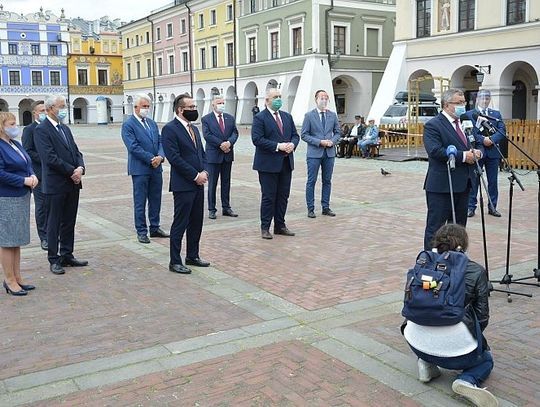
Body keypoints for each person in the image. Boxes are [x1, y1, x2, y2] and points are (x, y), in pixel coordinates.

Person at [403, 224, 497, 407]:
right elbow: (482, 317)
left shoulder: (422, 264)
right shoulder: (476, 271)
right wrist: (476, 344)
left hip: (416, 342)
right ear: (464, 244)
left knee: (426, 323)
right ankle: (466, 380)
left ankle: (426, 362)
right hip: (458, 352)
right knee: (486, 360)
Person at [423, 88, 484, 250]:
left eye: (463, 102)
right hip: (442, 186)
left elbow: (475, 141)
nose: (462, 106)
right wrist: (464, 156)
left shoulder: (466, 123)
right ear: (446, 104)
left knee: (458, 229)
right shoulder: (433, 125)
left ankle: (456, 260)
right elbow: (435, 151)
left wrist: (478, 152)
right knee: (436, 228)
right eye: (458, 103)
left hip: (464, 184)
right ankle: (431, 261)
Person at [34, 95, 88, 275]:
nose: (64, 109)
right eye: (61, 106)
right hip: (56, 184)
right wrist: (71, 171)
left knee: (69, 221)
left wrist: (80, 167)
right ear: (50, 109)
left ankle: (67, 254)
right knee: (54, 222)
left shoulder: (65, 128)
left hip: (72, 184)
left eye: (64, 106)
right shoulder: (42, 130)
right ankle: (54, 258)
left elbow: (76, 151)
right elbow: (49, 158)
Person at [162, 94, 210, 274]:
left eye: (195, 106)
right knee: (180, 222)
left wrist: (205, 171)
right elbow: (174, 158)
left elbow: (202, 154)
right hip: (183, 184)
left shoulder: (194, 129)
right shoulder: (170, 129)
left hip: (199, 183)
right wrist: (194, 175)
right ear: (180, 110)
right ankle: (175, 261)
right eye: (191, 107)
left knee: (196, 221)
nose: (194, 110)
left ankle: (192, 255)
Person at [252, 88, 299, 240]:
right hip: (268, 164)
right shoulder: (260, 118)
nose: (278, 99)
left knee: (283, 196)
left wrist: (292, 144)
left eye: (280, 96)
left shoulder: (287, 116)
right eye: (275, 97)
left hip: (286, 162)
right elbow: (257, 139)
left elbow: (295, 135)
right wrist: (278, 146)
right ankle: (265, 227)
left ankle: (280, 225)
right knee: (269, 196)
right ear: (267, 100)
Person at [121, 94, 169, 244]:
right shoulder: (128, 125)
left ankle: (155, 227)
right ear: (135, 107)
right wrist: (151, 159)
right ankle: (141, 231)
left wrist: (160, 157)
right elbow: (133, 146)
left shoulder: (152, 123)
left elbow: (161, 141)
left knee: (156, 199)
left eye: (148, 106)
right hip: (140, 168)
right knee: (140, 201)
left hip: (156, 168)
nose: (146, 109)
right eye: (144, 106)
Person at [0, 112, 38, 296]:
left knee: (17, 239)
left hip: (21, 196)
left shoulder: (14, 143)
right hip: (7, 198)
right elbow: (1, 173)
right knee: (8, 240)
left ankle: (17, 277)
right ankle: (9, 280)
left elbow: (27, 162)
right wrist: (23, 180)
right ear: (2, 126)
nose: (15, 126)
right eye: (12, 123)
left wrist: (32, 175)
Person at [300, 89, 341, 218]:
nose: (323, 100)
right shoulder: (309, 115)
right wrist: (319, 142)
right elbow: (304, 135)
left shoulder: (332, 115)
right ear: (316, 100)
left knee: (327, 180)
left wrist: (332, 141)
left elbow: (338, 132)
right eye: (321, 98)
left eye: (326, 98)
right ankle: (310, 208)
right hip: (314, 153)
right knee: (311, 181)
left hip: (329, 153)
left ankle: (326, 207)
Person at [466, 90, 506, 218]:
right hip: (478, 152)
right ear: (477, 98)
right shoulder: (470, 114)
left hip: (493, 152)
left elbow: (502, 130)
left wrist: (492, 140)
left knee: (493, 181)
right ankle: (471, 207)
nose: (485, 100)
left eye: (488, 98)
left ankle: (492, 207)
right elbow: (469, 132)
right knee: (474, 180)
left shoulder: (496, 114)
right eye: (483, 98)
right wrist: (483, 140)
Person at [201, 94, 239, 220]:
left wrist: (229, 142)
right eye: (219, 103)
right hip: (213, 155)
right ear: (213, 105)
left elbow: (235, 132)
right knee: (212, 183)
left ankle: (226, 207)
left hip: (227, 154)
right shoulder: (206, 119)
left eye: (223, 103)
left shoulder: (230, 118)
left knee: (226, 182)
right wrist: (220, 143)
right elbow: (207, 135)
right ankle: (212, 209)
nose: (221, 105)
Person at [22, 100, 49, 250]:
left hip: (53, 174)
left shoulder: (51, 127)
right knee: (42, 206)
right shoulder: (29, 130)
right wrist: (46, 160)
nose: (44, 113)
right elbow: (28, 151)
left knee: (52, 205)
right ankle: (43, 237)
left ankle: (52, 234)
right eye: (42, 110)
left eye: (46, 110)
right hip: (38, 174)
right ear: (35, 113)